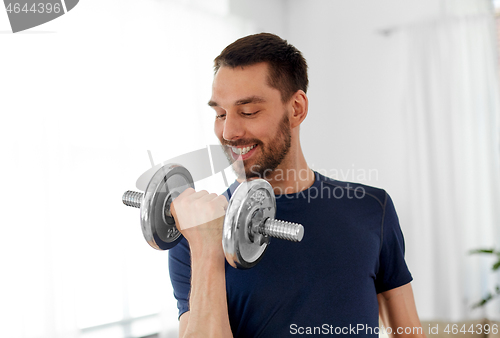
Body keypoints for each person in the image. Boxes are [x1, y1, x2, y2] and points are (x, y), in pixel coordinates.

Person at [169, 33, 426, 337]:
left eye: (248, 111)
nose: (229, 131)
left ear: (296, 109)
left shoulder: (371, 208)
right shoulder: (196, 233)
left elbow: (408, 332)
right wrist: (206, 249)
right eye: (220, 114)